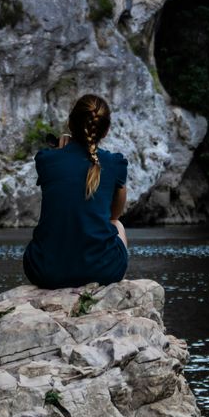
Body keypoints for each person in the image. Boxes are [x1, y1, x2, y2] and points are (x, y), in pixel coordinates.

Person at [23, 94, 129, 289]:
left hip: (45, 271)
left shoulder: (46, 160)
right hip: (103, 271)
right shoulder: (115, 163)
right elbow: (114, 215)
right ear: (106, 131)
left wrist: (67, 140)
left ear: (70, 123)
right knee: (117, 224)